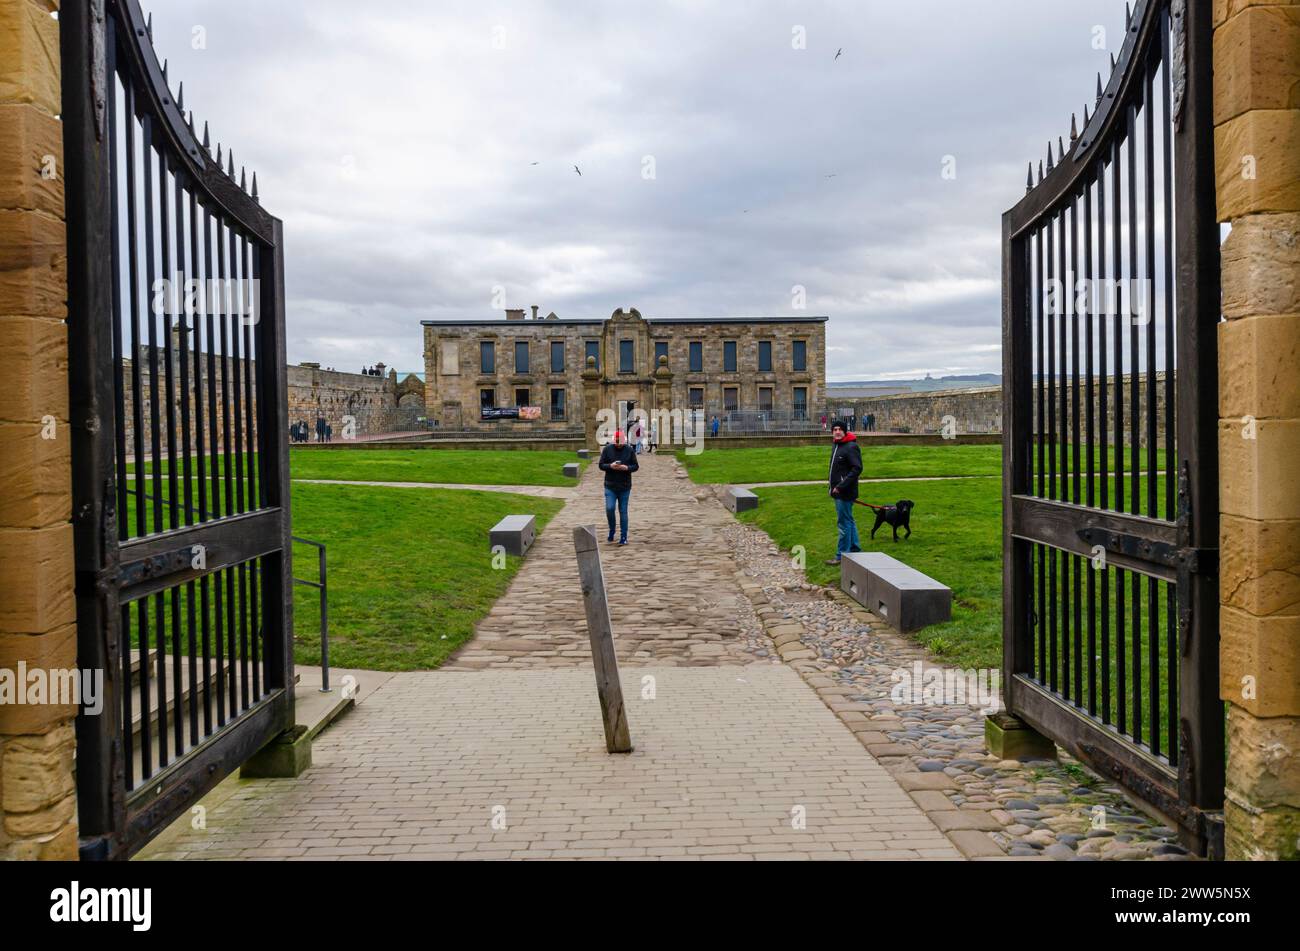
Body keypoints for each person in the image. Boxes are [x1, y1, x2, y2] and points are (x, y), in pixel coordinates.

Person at [825, 419, 863, 566]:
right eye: (835, 429)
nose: (837, 431)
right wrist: (831, 487)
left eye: (840, 429)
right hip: (837, 490)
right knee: (849, 520)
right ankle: (854, 548)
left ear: (845, 431)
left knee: (843, 523)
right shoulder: (836, 445)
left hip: (845, 491)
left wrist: (840, 486)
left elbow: (857, 469)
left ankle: (841, 555)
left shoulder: (850, 447)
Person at [598, 429, 639, 545]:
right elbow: (601, 465)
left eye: (620, 441)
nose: (618, 443)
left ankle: (623, 536)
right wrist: (610, 466)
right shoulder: (607, 449)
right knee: (610, 509)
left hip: (624, 486)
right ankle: (612, 530)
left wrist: (627, 468)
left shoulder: (629, 450)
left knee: (623, 511)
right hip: (610, 485)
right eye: (616, 441)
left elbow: (635, 466)